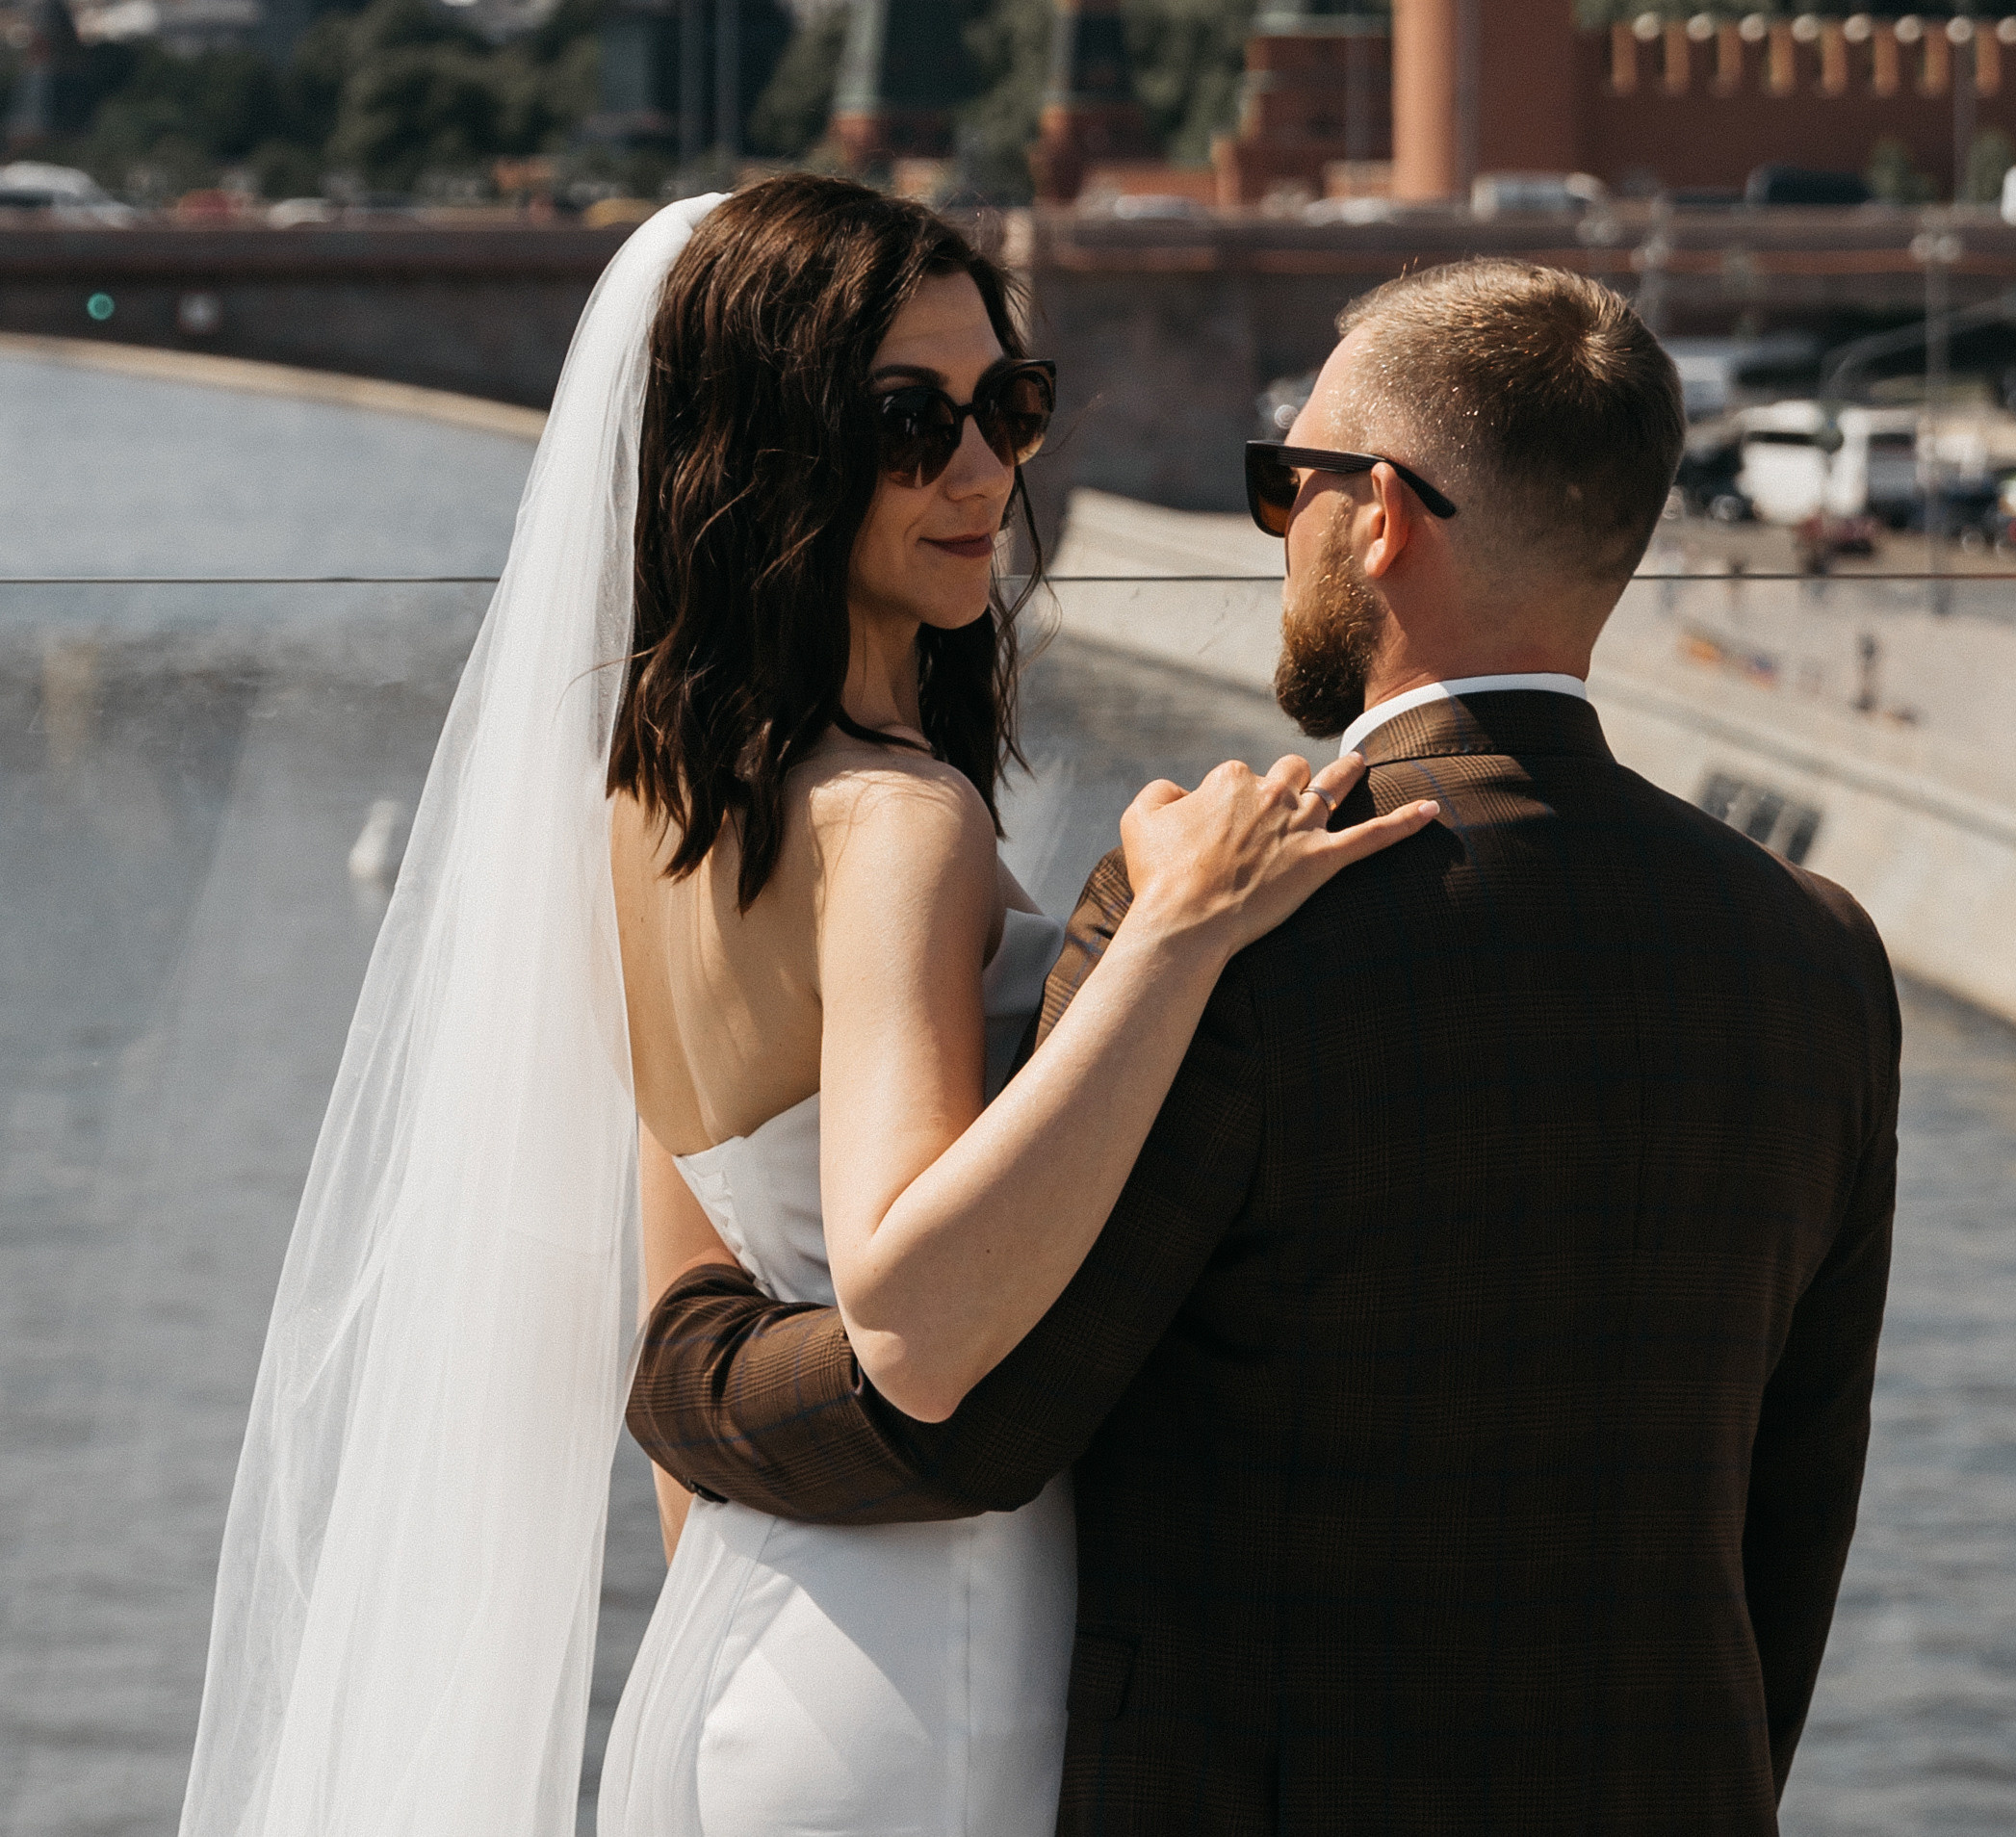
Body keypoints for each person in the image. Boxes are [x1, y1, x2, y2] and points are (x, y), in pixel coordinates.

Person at [178, 179, 1433, 1837]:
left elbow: (682, 1306)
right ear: (766, 448)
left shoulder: (641, 800)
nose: (983, 469)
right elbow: (907, 1311)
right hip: (934, 1658)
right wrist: (1177, 938)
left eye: (1010, 404)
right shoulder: (897, 825)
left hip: (733, 1642)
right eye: (910, 419)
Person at [632, 258, 1903, 1833]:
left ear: (1378, 516)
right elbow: (1798, 1521)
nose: (1275, 529)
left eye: (1283, 482)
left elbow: (973, 1414)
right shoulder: (1821, 956)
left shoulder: (1225, 914)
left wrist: (682, 1358)